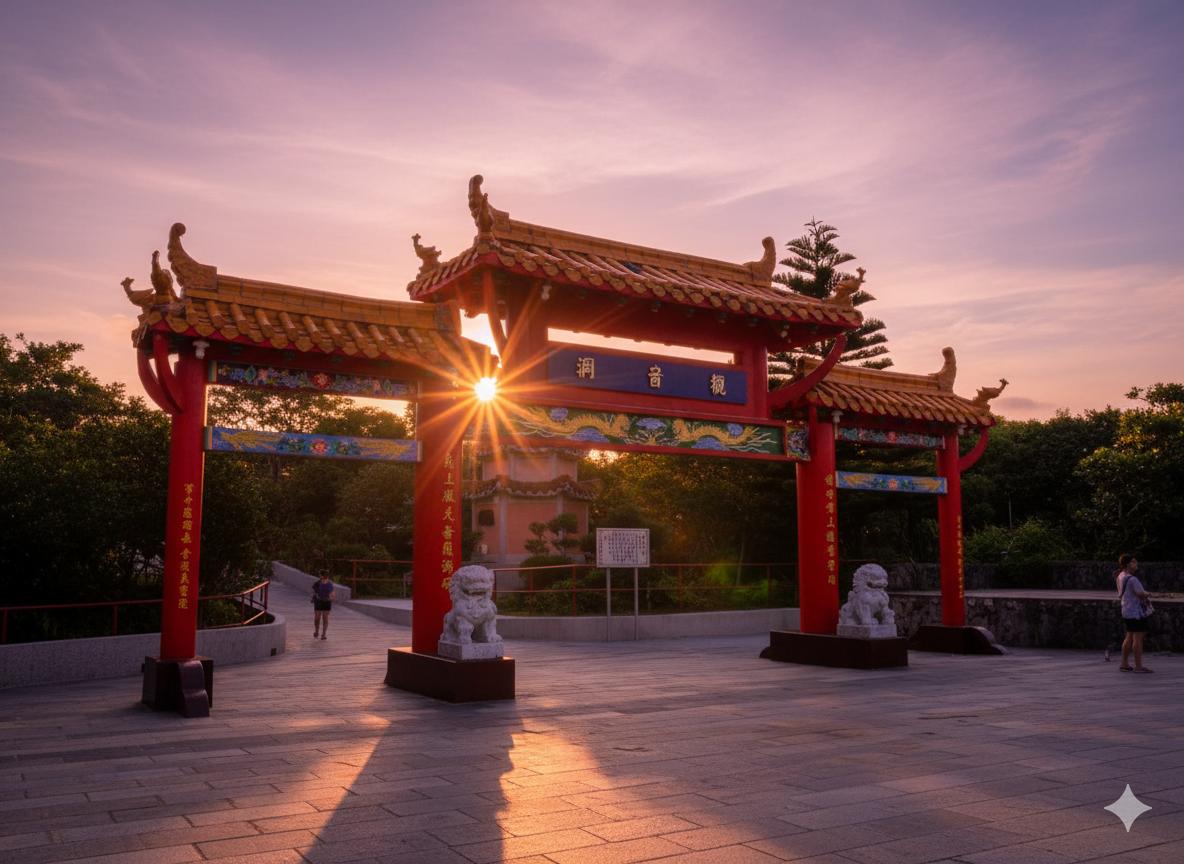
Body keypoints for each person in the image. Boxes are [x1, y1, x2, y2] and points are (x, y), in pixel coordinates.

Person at [1116, 554, 1153, 673]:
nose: (1136, 564)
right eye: (1133, 562)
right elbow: (1140, 593)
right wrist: (1148, 594)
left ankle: (1124, 664)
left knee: (1129, 636)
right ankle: (1138, 666)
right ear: (1128, 564)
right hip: (1136, 612)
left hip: (1126, 611)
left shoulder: (1120, 576)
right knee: (1138, 638)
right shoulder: (1132, 579)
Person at [311, 571, 336, 641]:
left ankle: (324, 634)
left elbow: (332, 592)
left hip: (327, 601)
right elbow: (314, 592)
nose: (324, 577)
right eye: (323, 575)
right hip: (318, 601)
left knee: (325, 618)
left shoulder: (330, 584)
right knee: (317, 618)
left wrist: (332, 597)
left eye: (325, 575)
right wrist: (313, 597)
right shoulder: (317, 583)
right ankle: (316, 631)